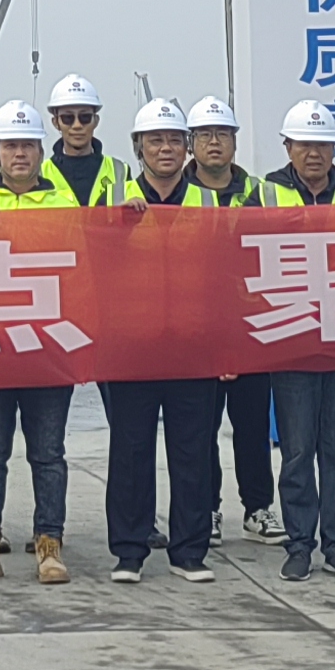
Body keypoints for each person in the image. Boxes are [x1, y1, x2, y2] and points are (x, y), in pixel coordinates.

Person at [0, 102, 80, 587]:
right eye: (10, 146)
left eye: (27, 145)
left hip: (47, 347)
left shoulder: (63, 204)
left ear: (41, 152)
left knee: (48, 453)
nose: (19, 154)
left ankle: (49, 542)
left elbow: (84, 267)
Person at [99, 98, 224, 584]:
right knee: (130, 451)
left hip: (193, 347)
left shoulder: (208, 203)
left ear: (187, 148)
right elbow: (93, 267)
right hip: (134, 348)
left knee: (192, 451)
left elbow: (226, 275)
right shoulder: (115, 201)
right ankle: (129, 551)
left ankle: (189, 551)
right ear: (139, 147)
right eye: (155, 141)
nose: (166, 149)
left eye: (174, 140)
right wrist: (117, 227)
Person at [265, 102, 335, 581]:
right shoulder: (264, 195)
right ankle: (298, 545)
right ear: (287, 147)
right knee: (296, 452)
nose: (314, 153)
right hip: (291, 339)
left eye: (323, 145)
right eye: (304, 144)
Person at [186, 97, 286, 542]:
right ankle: (206, 508)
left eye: (222, 134)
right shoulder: (177, 196)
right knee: (200, 428)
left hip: (250, 327)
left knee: (252, 426)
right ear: (192, 143)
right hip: (199, 329)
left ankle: (258, 508)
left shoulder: (262, 194)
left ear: (234, 142)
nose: (214, 142)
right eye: (205, 135)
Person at [46, 78, 123, 205]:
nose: (77, 125)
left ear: (96, 121)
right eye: (68, 118)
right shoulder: (40, 175)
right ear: (55, 122)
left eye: (85, 117)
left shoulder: (120, 172)